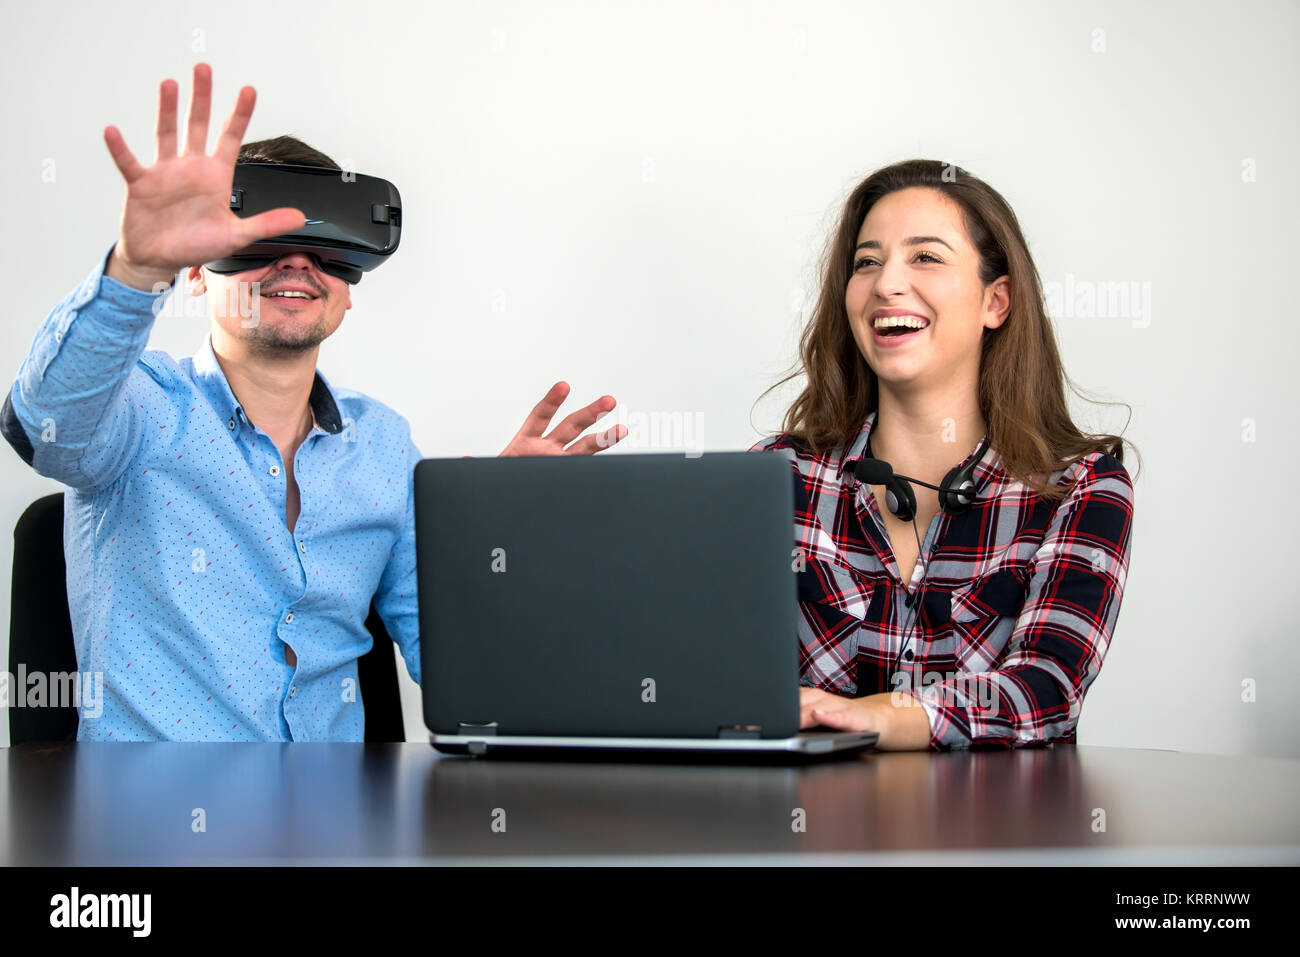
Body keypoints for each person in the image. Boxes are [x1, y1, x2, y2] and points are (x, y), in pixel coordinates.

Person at [0, 63, 625, 741]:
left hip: (340, 807)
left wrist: (493, 532)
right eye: (260, 240)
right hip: (163, 805)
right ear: (197, 274)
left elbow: (468, 678)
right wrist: (136, 268)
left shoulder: (384, 449)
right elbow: (45, 426)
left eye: (328, 246)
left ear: (349, 289)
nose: (298, 261)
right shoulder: (138, 410)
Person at [753, 158, 1137, 751]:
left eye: (926, 257)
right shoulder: (776, 476)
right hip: (808, 812)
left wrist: (881, 717)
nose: (886, 284)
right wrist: (585, 520)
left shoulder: (1081, 486)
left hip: (997, 814)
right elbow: (691, 661)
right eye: (867, 262)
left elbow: (1047, 688)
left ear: (996, 302)